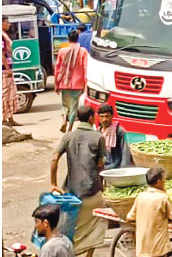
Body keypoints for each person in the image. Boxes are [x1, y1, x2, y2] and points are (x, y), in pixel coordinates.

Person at [50, 106, 106, 257]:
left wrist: (53, 184)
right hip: (92, 191)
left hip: (71, 192)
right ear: (90, 118)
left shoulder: (68, 137)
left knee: (71, 228)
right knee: (95, 228)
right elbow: (101, 165)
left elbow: (54, 158)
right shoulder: (98, 137)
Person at [127, 168, 172, 257]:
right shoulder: (163, 198)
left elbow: (130, 217)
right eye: (164, 179)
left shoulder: (140, 196)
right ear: (158, 181)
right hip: (157, 247)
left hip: (142, 247)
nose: (165, 181)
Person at [55, 28, 89, 132]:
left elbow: (57, 68)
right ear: (78, 39)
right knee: (74, 107)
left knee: (65, 105)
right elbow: (85, 67)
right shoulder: (83, 51)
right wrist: (86, 83)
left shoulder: (62, 51)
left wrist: (56, 84)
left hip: (64, 83)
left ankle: (64, 120)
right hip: (78, 84)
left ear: (68, 39)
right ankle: (69, 129)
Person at [95, 104, 130, 169]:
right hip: (102, 167)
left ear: (112, 116)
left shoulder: (119, 131)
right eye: (102, 116)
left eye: (107, 116)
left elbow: (125, 151)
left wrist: (123, 169)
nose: (104, 119)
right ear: (98, 117)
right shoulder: (98, 131)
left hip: (116, 166)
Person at [2, 16, 17, 127]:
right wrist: (7, 68)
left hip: (8, 67)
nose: (9, 24)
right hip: (4, 69)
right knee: (5, 94)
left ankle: (10, 117)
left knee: (11, 93)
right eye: (7, 22)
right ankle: (3, 119)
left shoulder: (4, 35)